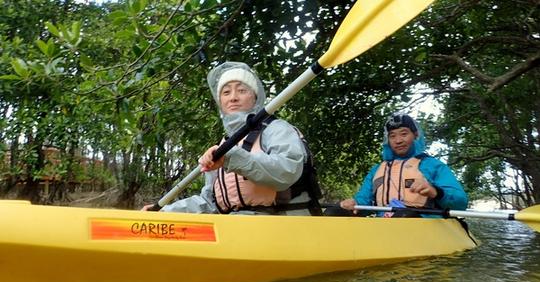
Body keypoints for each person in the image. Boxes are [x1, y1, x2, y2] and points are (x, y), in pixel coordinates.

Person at [143, 61, 322, 215]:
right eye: (226, 92)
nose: (233, 98)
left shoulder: (277, 129)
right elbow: (209, 203)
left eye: (242, 90)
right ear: (220, 101)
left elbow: (286, 171)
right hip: (236, 227)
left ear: (255, 97)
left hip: (282, 224)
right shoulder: (222, 146)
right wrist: (164, 212)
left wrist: (232, 157)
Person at [326, 112, 468, 217]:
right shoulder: (377, 169)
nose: (398, 140)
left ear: (415, 135)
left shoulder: (432, 165)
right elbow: (364, 200)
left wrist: (436, 192)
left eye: (404, 134)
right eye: (392, 136)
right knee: (333, 211)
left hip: (421, 222)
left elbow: (460, 203)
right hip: (387, 224)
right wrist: (354, 203)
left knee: (403, 215)